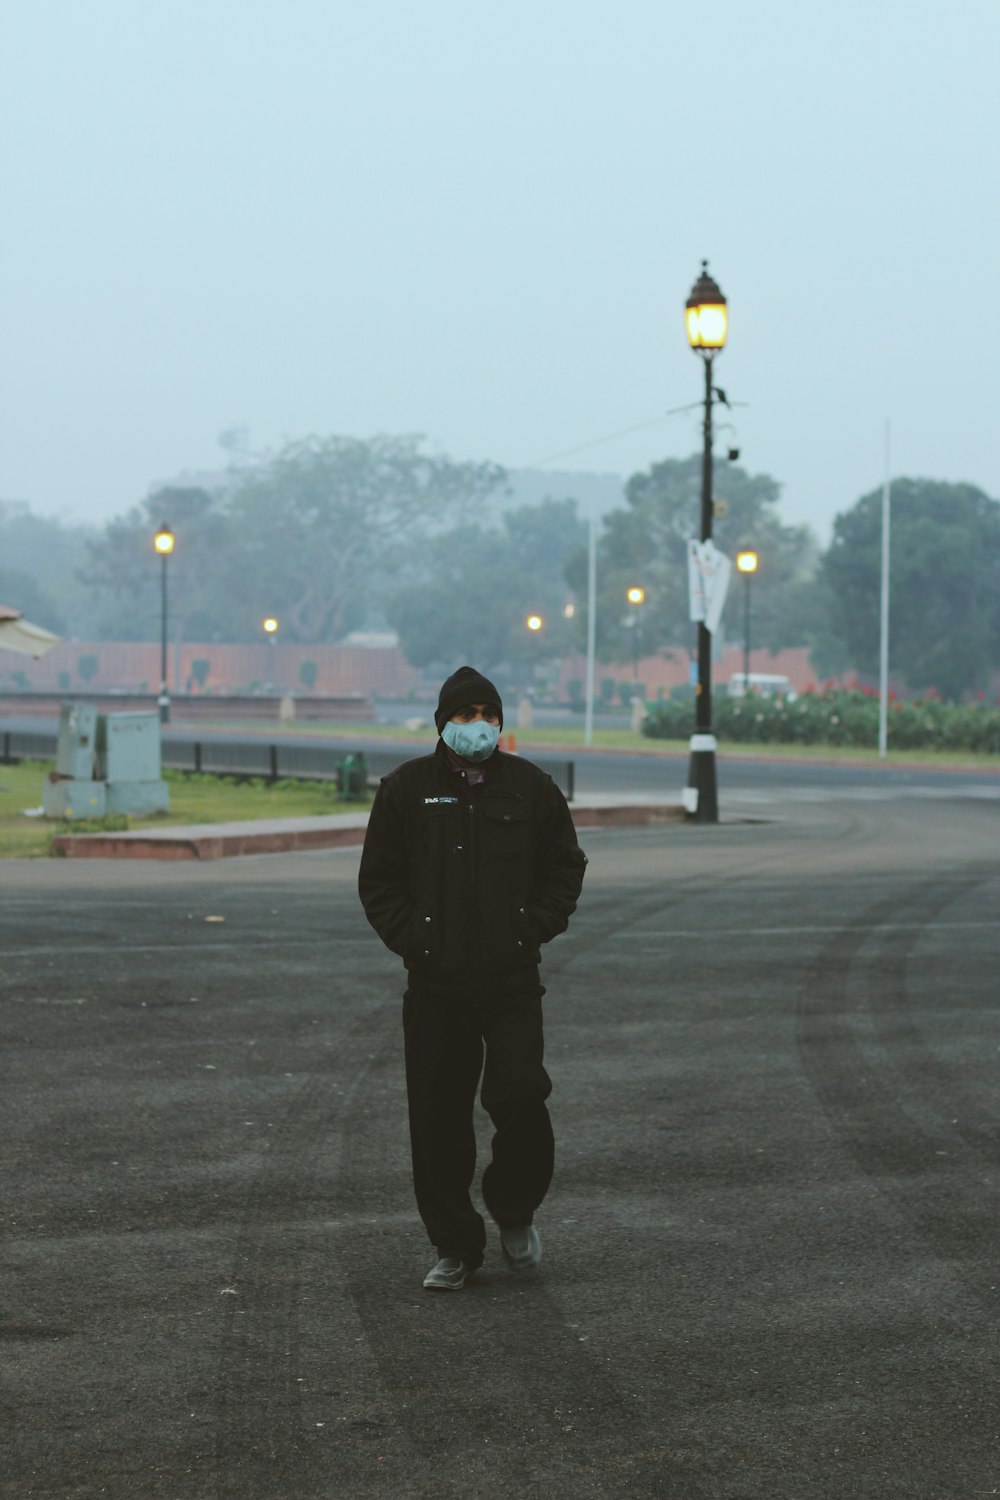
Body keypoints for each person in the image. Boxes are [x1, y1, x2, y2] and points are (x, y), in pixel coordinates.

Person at [358, 665, 587, 1291]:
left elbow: (565, 869)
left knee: (521, 1097)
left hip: (512, 981)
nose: (478, 726)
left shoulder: (531, 789)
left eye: (489, 715)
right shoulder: (406, 790)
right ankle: (455, 1247)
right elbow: (379, 881)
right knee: (437, 1122)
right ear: (442, 724)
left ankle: (514, 1211)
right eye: (465, 715)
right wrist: (417, 940)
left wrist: (530, 928)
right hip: (436, 987)